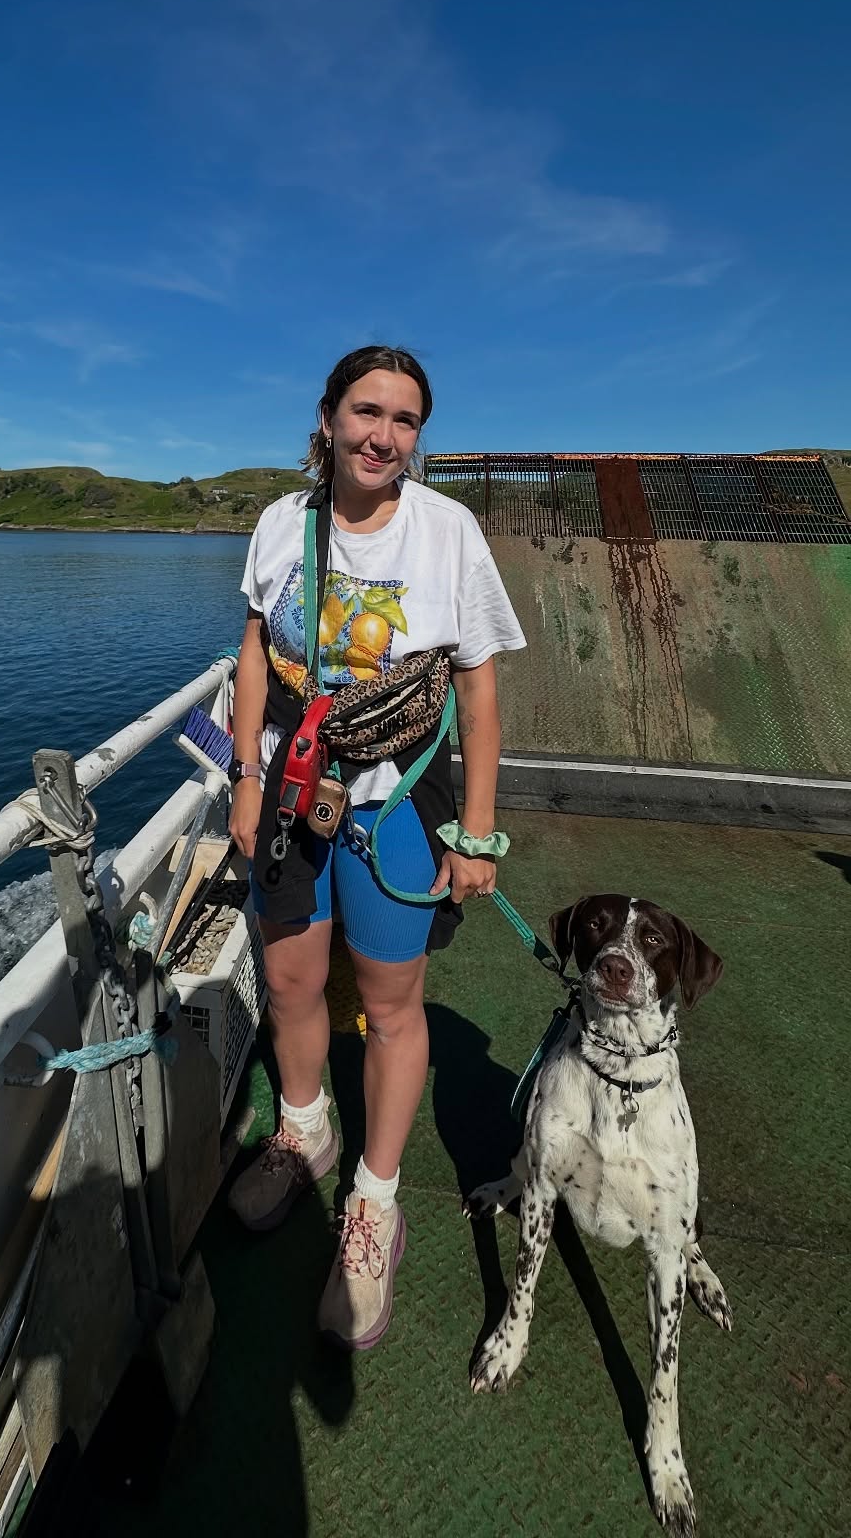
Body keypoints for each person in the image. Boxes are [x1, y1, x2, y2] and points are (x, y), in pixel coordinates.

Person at [225, 344, 525, 1351]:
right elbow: (258, 652)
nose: (382, 437)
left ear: (417, 437)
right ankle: (304, 1129)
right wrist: (244, 779)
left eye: (403, 421)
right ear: (326, 417)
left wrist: (477, 833)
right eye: (365, 412)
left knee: (391, 1005)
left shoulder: (449, 534)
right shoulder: (281, 524)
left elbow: (478, 690)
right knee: (292, 980)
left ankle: (375, 1201)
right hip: (289, 790)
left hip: (400, 798)